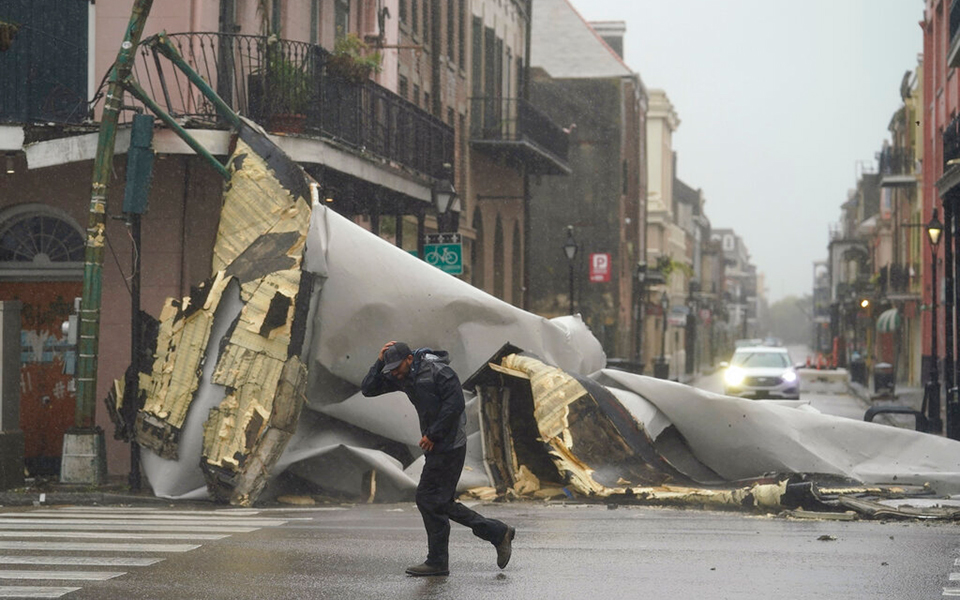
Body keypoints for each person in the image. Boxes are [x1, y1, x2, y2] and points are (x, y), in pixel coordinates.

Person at [361, 341, 515, 577]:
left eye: (397, 367)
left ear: (410, 359)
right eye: (390, 369)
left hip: (451, 443)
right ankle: (478, 541)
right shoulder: (401, 375)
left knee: (431, 499)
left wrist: (433, 434)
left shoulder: (439, 372)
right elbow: (368, 389)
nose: (394, 373)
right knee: (435, 501)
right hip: (436, 444)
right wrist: (380, 361)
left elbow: (455, 405)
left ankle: (461, 549)